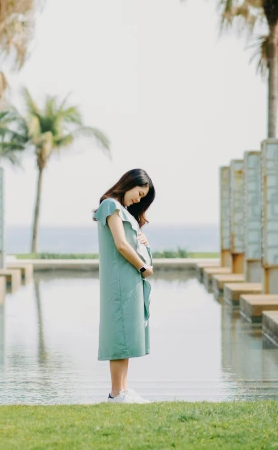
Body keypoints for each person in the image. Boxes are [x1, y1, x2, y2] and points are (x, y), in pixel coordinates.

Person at [93, 168, 156, 404]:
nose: (138, 200)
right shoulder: (110, 206)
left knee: (126, 336)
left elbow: (130, 241)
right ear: (129, 184)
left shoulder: (124, 212)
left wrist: (143, 240)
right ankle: (115, 393)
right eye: (139, 194)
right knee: (119, 337)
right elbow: (120, 244)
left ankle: (123, 390)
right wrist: (143, 267)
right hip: (120, 280)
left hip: (128, 281)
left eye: (142, 198)